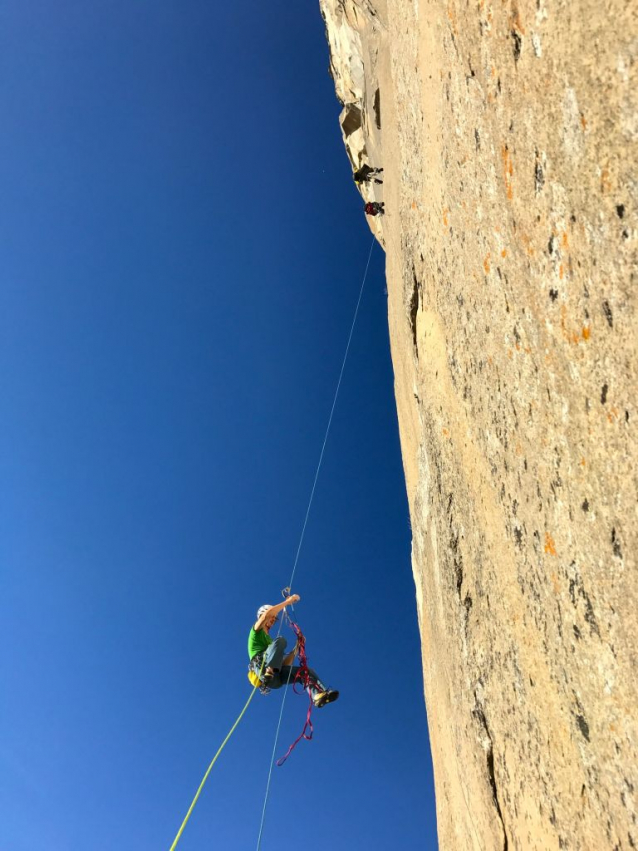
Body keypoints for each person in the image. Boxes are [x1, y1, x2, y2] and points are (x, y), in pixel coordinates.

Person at [248, 594, 339, 708]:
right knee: (281, 640)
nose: (273, 620)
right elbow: (267, 615)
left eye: (274, 619)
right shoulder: (255, 632)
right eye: (272, 617)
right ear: (262, 615)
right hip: (262, 667)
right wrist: (288, 602)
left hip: (275, 680)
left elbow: (284, 665)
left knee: (305, 671)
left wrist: (297, 646)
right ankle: (269, 671)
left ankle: (318, 695)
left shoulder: (271, 643)